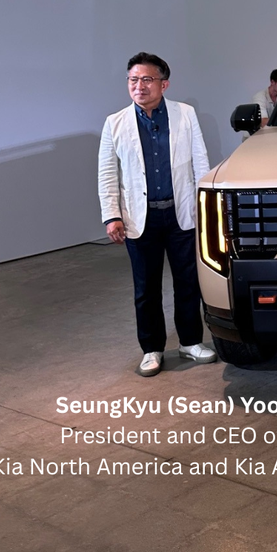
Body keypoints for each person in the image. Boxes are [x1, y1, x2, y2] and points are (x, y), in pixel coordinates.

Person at [98, 52, 216, 376]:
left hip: (181, 215)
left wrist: (204, 209)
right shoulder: (116, 123)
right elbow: (108, 173)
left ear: (164, 84)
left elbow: (200, 163)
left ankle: (191, 342)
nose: (139, 86)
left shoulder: (185, 115)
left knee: (188, 282)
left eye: (146, 79)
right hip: (141, 218)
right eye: (133, 80)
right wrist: (112, 215)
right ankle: (151, 348)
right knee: (146, 289)